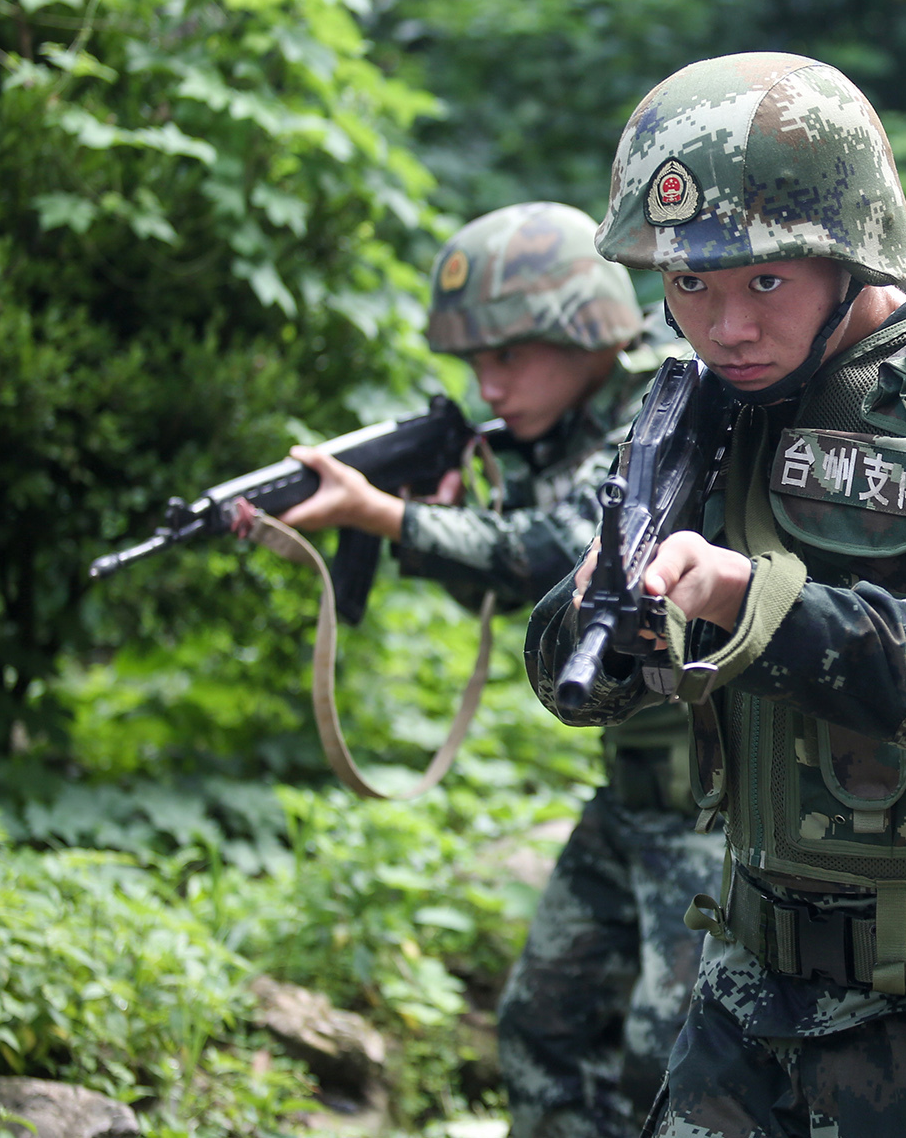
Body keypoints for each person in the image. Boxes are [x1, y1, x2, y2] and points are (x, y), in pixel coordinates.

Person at [524, 51, 906, 1137]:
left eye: (764, 281)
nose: (726, 326)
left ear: (852, 250)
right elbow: (573, 686)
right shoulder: (706, 410)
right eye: (690, 285)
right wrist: (603, 609)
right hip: (742, 998)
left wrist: (743, 598)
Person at [278, 201, 721, 1138]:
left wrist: (387, 517)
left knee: (670, 1059)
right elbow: (528, 595)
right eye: (476, 361)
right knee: (540, 1025)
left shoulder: (672, 402)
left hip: (715, 805)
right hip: (634, 790)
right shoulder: (551, 434)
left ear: (585, 327)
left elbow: (564, 550)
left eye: (510, 354)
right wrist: (428, 522)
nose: (491, 383)